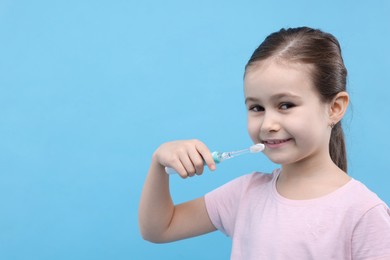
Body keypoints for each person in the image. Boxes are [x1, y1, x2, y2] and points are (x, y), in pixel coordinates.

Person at [139, 27, 390, 259]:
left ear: (335, 108)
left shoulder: (363, 213)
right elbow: (159, 228)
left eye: (286, 105)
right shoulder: (245, 195)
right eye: (257, 107)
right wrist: (158, 164)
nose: (268, 123)